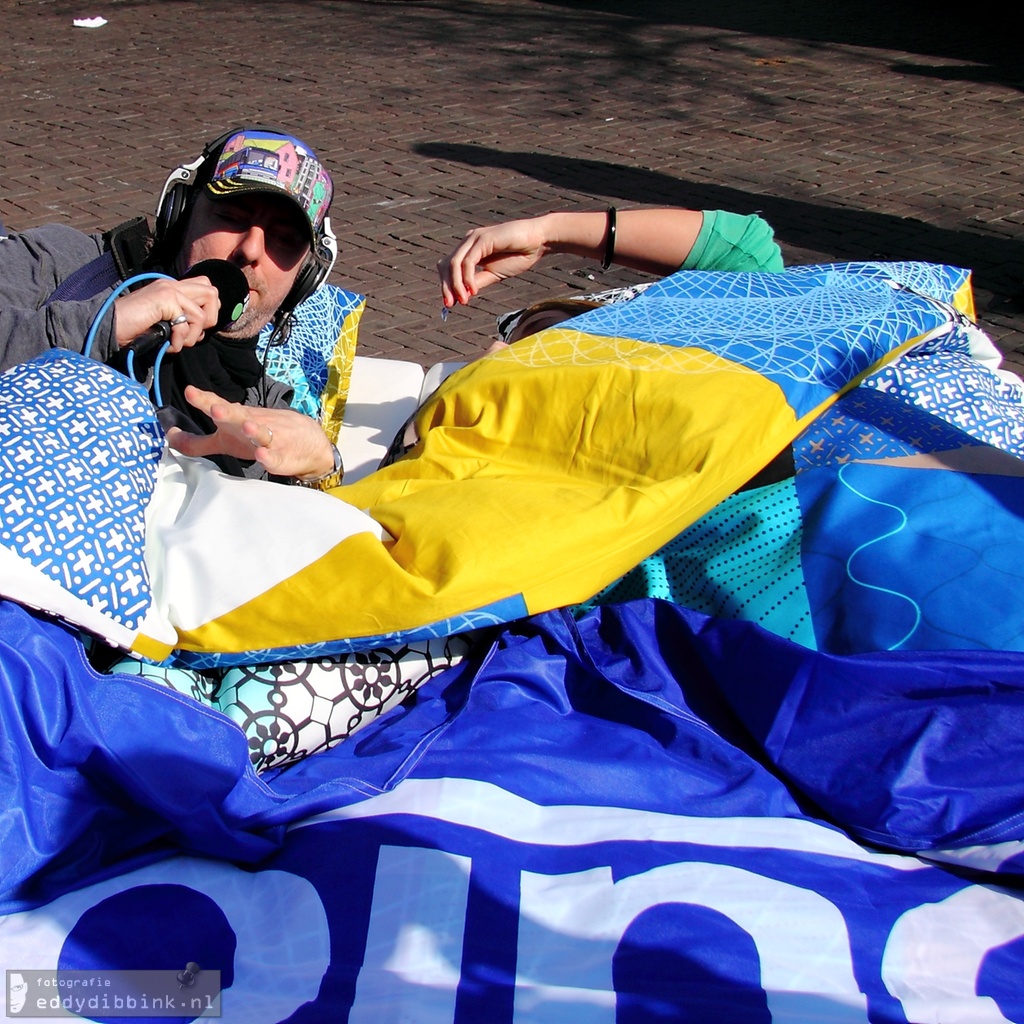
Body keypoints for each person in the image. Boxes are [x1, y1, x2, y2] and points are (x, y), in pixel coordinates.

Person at [0, 126, 343, 485]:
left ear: (305, 277)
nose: (251, 250)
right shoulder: (69, 268)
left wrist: (321, 467)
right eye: (231, 218)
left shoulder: (267, 414)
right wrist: (107, 324)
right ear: (180, 213)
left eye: (284, 240)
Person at [437, 207, 784, 344]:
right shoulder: (769, 328)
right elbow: (742, 246)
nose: (500, 344)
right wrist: (545, 234)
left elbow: (741, 245)